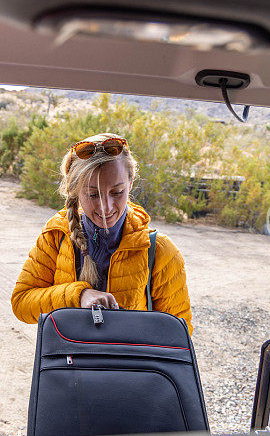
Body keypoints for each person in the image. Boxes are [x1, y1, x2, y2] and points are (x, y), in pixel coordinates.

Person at [11, 132, 192, 334]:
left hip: (127, 365)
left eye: (117, 192)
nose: (106, 208)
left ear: (130, 183)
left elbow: (179, 333)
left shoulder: (159, 251)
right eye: (93, 194)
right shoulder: (56, 236)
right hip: (69, 363)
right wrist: (78, 296)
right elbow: (21, 303)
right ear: (75, 190)